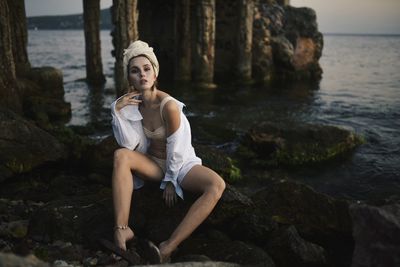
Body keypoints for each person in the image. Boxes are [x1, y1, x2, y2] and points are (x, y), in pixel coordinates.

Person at [110, 40, 226, 262]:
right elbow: (127, 143)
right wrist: (116, 109)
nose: (142, 75)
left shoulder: (169, 106)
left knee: (216, 185)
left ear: (155, 74)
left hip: (181, 165)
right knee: (120, 156)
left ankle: (168, 246)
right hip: (153, 163)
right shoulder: (132, 105)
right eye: (135, 71)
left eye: (146, 69)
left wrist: (172, 180)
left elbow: (178, 147)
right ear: (130, 78)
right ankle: (121, 228)